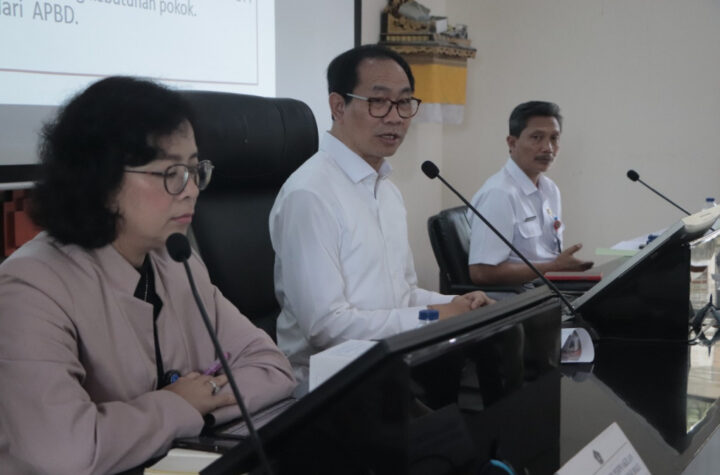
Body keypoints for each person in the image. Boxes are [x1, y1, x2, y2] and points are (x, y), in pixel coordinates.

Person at [0, 77, 296, 474]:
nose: (191, 190)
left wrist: (198, 405)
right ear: (101, 179)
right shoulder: (29, 288)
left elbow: (272, 369)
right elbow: (64, 452)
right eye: (171, 172)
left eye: (195, 169)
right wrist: (178, 405)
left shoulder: (176, 260)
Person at [269, 45, 493, 382]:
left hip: (392, 369)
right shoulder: (310, 194)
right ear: (338, 106)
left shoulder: (386, 191)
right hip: (328, 385)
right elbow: (325, 327)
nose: (395, 117)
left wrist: (458, 304)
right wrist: (437, 316)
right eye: (378, 101)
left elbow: (403, 295)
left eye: (404, 102)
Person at [467, 101, 593, 287]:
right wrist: (554, 267)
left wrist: (559, 269)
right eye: (536, 137)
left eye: (554, 138)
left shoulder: (550, 189)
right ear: (512, 143)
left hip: (548, 289)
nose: (548, 148)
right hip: (517, 297)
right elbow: (481, 273)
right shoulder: (499, 194)